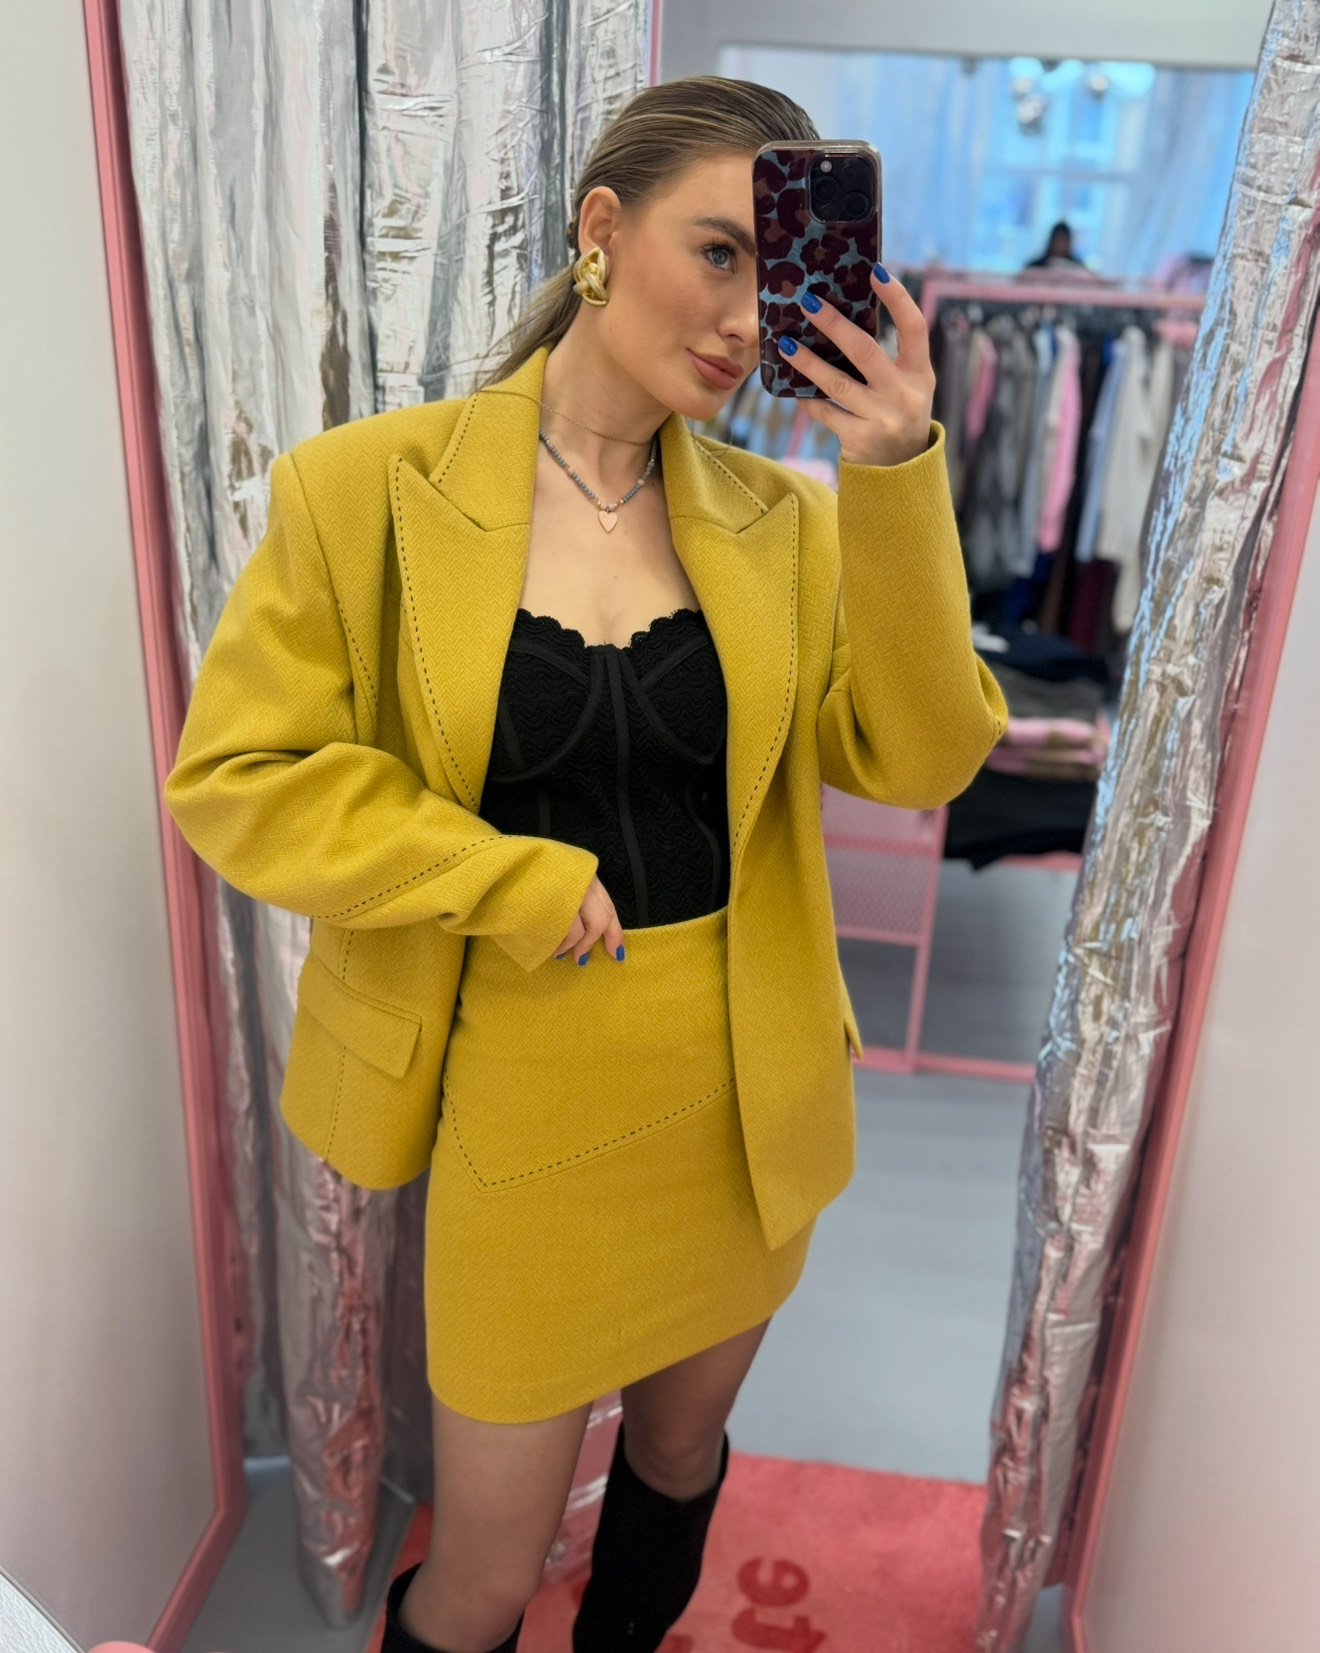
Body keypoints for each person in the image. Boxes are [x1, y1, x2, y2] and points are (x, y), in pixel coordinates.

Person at [165, 76, 1006, 1653]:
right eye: (717, 252)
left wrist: (897, 474)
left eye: (777, 271)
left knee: (677, 1463)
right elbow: (239, 777)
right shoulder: (367, 490)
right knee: (481, 1577)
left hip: (747, 1099)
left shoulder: (786, 519)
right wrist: (501, 875)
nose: (748, 319)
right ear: (602, 229)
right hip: (527, 1104)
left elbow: (921, 756)